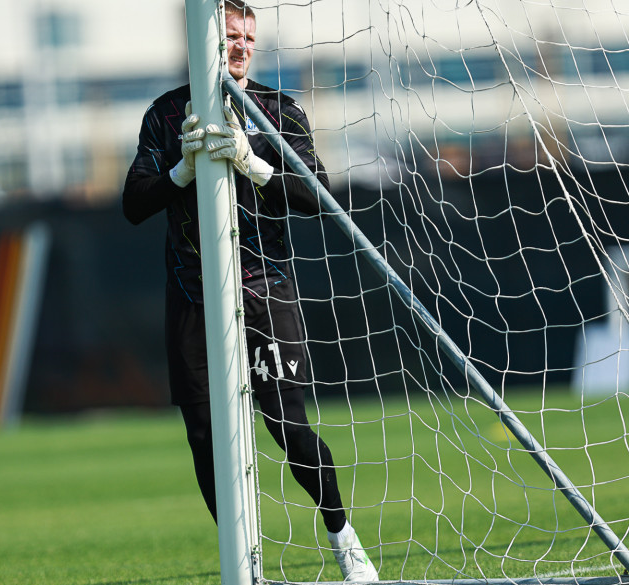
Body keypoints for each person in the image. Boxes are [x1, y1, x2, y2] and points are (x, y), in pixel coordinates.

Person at [121, 1, 379, 582]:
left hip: (266, 288)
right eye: (230, 36)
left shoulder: (278, 110)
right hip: (193, 293)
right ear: (204, 40)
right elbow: (133, 203)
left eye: (247, 38)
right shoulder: (166, 114)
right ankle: (244, 564)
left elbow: (318, 195)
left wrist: (252, 162)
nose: (240, 46)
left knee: (288, 427)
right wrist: (181, 172)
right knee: (205, 436)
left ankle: (344, 540)